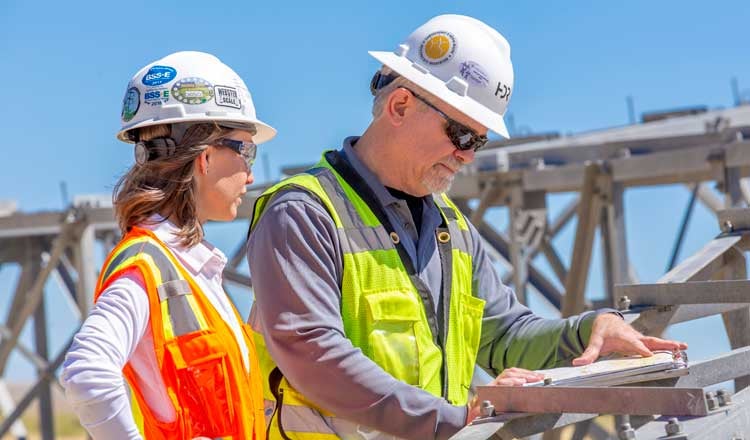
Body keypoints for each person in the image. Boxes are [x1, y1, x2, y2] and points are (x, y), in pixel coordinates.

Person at [247, 15, 687, 440]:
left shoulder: (451, 230)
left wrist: (585, 331)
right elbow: (314, 355)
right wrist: (451, 421)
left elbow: (505, 336)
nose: (468, 155)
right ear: (400, 105)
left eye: (479, 141)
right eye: (460, 135)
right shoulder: (304, 214)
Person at [61, 51, 276, 440]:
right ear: (206, 157)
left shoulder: (189, 268)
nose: (250, 173)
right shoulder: (145, 266)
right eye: (246, 150)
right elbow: (86, 373)